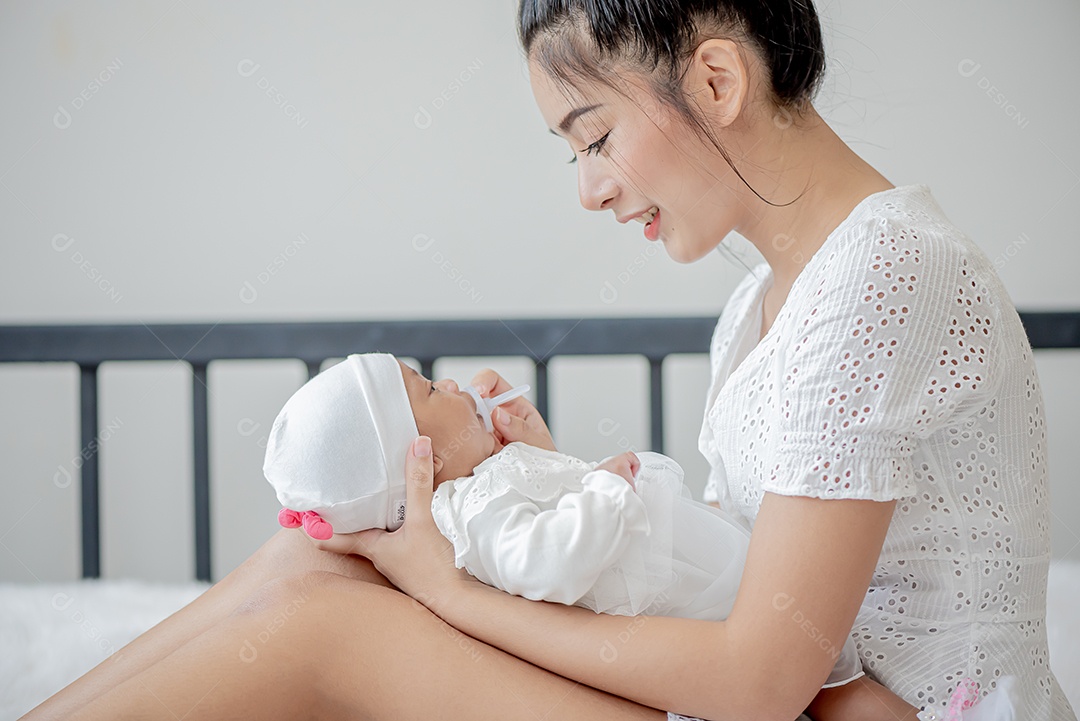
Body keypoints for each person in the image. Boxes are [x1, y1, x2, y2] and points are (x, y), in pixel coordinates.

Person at [24, 1, 1075, 720]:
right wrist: (544, 493)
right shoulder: (763, 304)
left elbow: (759, 671)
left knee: (322, 620)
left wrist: (450, 590)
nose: (589, 188)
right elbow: (727, 578)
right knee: (313, 559)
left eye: (593, 135)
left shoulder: (883, 273)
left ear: (715, 76)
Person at [261, 351, 891, 714]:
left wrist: (547, 457)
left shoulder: (486, 485)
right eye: (429, 389)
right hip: (704, 610)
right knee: (834, 684)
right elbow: (548, 565)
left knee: (831, 680)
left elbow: (548, 515)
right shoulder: (474, 510)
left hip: (734, 608)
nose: (452, 384)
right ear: (418, 460)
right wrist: (606, 489)